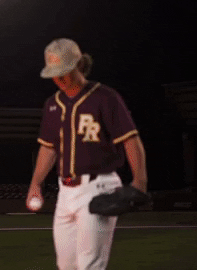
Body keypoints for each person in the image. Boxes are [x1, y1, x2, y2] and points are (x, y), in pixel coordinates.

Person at [26, 38, 148, 270]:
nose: (59, 78)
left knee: (89, 265)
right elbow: (48, 147)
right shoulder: (53, 103)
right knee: (66, 266)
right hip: (65, 193)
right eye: (54, 73)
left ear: (78, 64)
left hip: (98, 188)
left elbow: (131, 139)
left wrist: (139, 182)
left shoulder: (105, 97)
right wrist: (35, 183)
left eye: (64, 71)